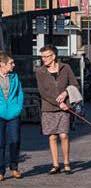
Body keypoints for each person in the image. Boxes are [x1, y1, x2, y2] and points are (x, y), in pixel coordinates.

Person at [35, 45, 80, 175]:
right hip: (48, 108)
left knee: (64, 135)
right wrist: (57, 103)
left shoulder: (65, 68)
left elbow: (74, 84)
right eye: (42, 57)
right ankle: (55, 165)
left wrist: (65, 93)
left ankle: (66, 163)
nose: (44, 59)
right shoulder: (40, 72)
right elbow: (43, 92)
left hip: (64, 107)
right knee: (52, 137)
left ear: (53, 56)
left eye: (46, 56)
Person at [0, 52, 24, 180]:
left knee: (15, 140)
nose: (13, 65)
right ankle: (0, 171)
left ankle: (14, 168)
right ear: (2, 64)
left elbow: (20, 93)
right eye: (11, 63)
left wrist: (18, 108)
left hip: (13, 113)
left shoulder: (14, 76)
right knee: (0, 143)